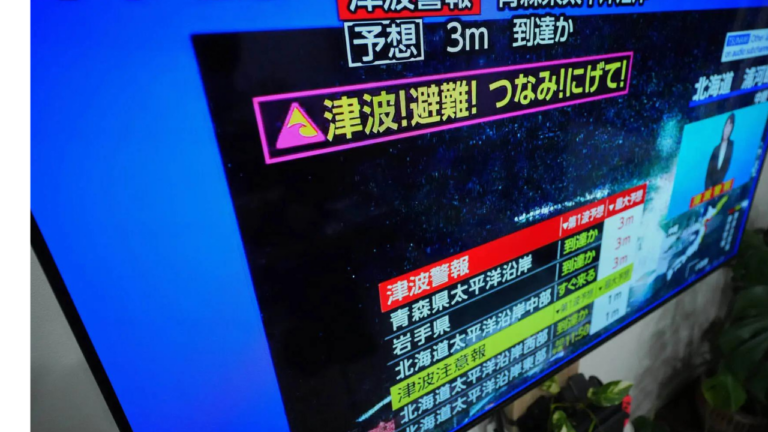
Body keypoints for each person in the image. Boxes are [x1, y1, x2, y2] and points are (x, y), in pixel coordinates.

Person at [705, 113, 735, 190]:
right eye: (726, 126)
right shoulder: (716, 149)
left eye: (730, 127)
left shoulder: (731, 146)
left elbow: (726, 168)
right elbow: (709, 172)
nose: (727, 130)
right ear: (724, 127)